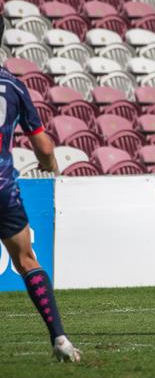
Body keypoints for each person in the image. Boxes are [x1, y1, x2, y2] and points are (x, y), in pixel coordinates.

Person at [0, 18, 81, 361]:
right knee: (26, 259)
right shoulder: (14, 86)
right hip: (2, 188)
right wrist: (51, 170)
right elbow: (45, 149)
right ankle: (60, 339)